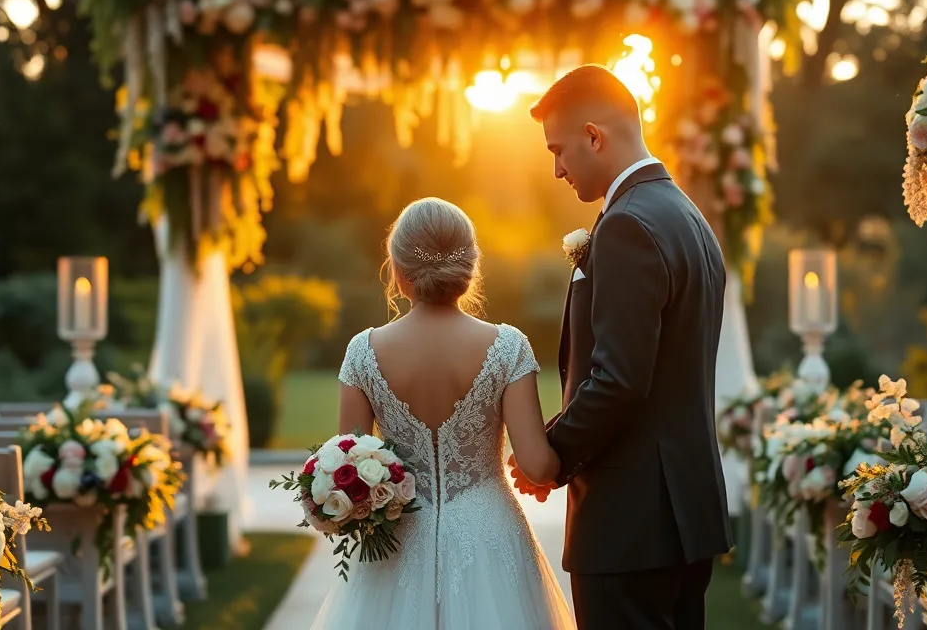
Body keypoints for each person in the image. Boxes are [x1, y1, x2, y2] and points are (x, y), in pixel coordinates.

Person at [515, 64, 732, 630]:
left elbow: (618, 379)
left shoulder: (627, 225)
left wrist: (549, 456)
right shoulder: (687, 215)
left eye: (559, 150)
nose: (557, 169)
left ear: (595, 136)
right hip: (686, 513)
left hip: (630, 522)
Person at [311, 197, 575, 629]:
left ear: (398, 273)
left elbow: (352, 467)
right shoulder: (508, 347)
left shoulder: (363, 352)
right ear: (470, 269)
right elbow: (538, 465)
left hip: (397, 543)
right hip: (490, 537)